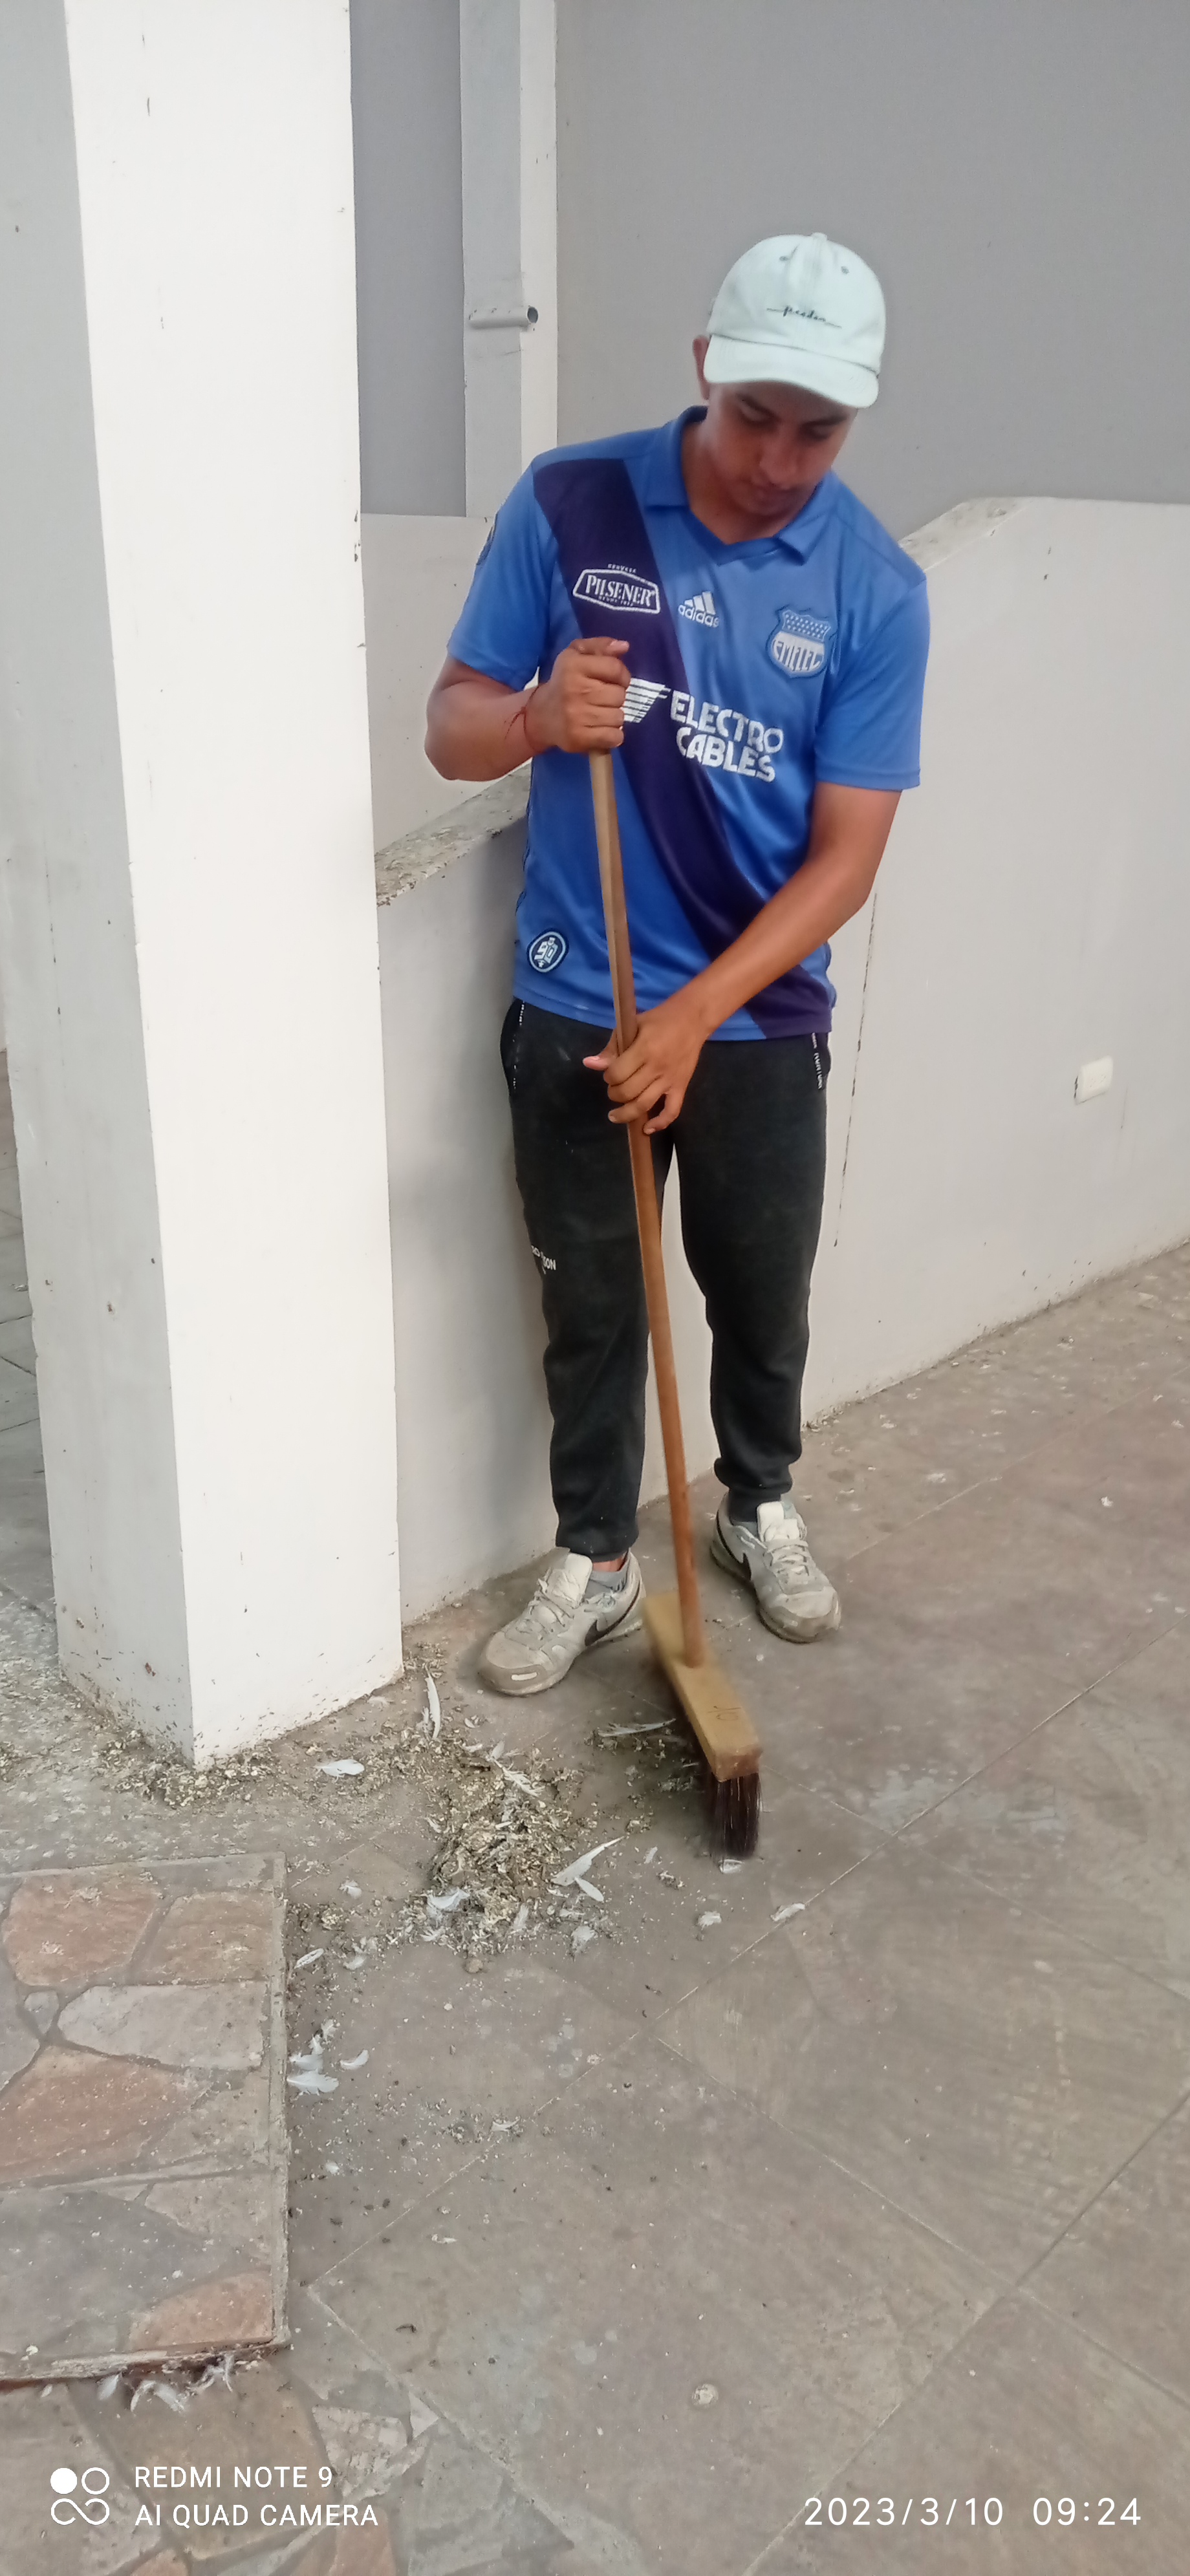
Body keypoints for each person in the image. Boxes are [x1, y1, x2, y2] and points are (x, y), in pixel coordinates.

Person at [426, 233, 929, 1697]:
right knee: (592, 1299)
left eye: (817, 431)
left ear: (854, 417)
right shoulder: (571, 503)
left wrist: (700, 1014)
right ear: (706, 366)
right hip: (577, 998)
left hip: (755, 1015)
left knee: (759, 1292)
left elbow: (846, 857)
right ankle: (594, 1558)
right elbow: (450, 726)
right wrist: (533, 718)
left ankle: (754, 1502)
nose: (778, 460)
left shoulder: (874, 587)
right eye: (755, 413)